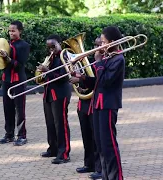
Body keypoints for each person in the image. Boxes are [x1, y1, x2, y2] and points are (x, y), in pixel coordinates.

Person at [71, 26, 124, 180]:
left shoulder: (118, 59)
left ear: (112, 42)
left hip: (108, 105)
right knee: (100, 145)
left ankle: (117, 177)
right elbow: (98, 82)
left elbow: (107, 81)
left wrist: (98, 62)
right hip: (98, 104)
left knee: (109, 145)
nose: (100, 46)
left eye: (103, 42)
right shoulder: (108, 57)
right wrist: (82, 78)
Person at [71, 37, 102, 179]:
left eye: (99, 44)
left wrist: (82, 79)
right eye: (95, 45)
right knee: (86, 135)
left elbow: (98, 83)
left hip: (94, 103)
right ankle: (88, 164)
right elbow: (84, 82)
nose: (96, 47)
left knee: (96, 137)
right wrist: (78, 83)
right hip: (83, 104)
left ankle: (99, 167)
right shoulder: (87, 63)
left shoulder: (103, 64)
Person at [38, 35, 72, 164]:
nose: (51, 50)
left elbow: (64, 77)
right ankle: (53, 148)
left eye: (53, 46)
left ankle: (64, 153)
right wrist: (41, 74)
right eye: (49, 48)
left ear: (60, 44)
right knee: (50, 122)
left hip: (60, 94)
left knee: (60, 123)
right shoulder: (50, 58)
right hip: (49, 93)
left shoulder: (65, 57)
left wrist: (48, 70)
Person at [0, 20, 30, 146]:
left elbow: (19, 65)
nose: (11, 33)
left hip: (18, 80)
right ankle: (9, 134)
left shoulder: (24, 45)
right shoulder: (5, 45)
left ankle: (22, 135)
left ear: (20, 31)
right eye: (9, 30)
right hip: (6, 79)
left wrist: (7, 58)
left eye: (13, 30)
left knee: (20, 109)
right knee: (7, 108)